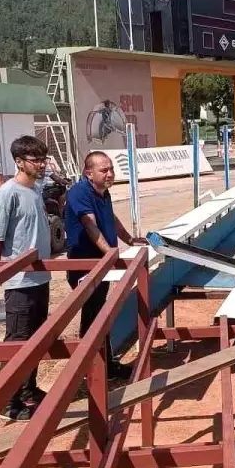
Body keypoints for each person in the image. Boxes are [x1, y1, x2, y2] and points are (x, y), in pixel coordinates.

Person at [0, 136, 52, 421]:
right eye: (35, 160)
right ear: (19, 162)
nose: (41, 164)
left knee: (36, 339)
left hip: (40, 278)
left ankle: (27, 389)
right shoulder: (7, 194)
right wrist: (7, 273)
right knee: (17, 340)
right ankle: (6, 401)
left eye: (42, 159)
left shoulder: (35, 190)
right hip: (20, 283)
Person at [64, 151, 145, 380]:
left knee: (100, 314)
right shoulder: (79, 193)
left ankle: (105, 365)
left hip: (102, 266)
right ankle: (92, 369)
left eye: (111, 169)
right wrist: (111, 254)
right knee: (92, 318)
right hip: (86, 267)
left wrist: (129, 239)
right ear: (88, 173)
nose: (110, 174)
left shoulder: (102, 192)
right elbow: (90, 226)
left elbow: (110, 218)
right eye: (104, 170)